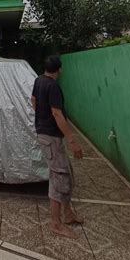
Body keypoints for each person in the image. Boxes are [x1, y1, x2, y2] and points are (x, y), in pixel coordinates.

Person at [31, 55, 84, 238]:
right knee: (58, 176)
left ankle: (68, 214)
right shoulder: (53, 86)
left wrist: (41, 118)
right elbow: (57, 113)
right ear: (59, 70)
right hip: (51, 137)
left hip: (45, 134)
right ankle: (56, 223)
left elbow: (33, 101)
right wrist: (72, 140)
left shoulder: (39, 80)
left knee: (66, 172)